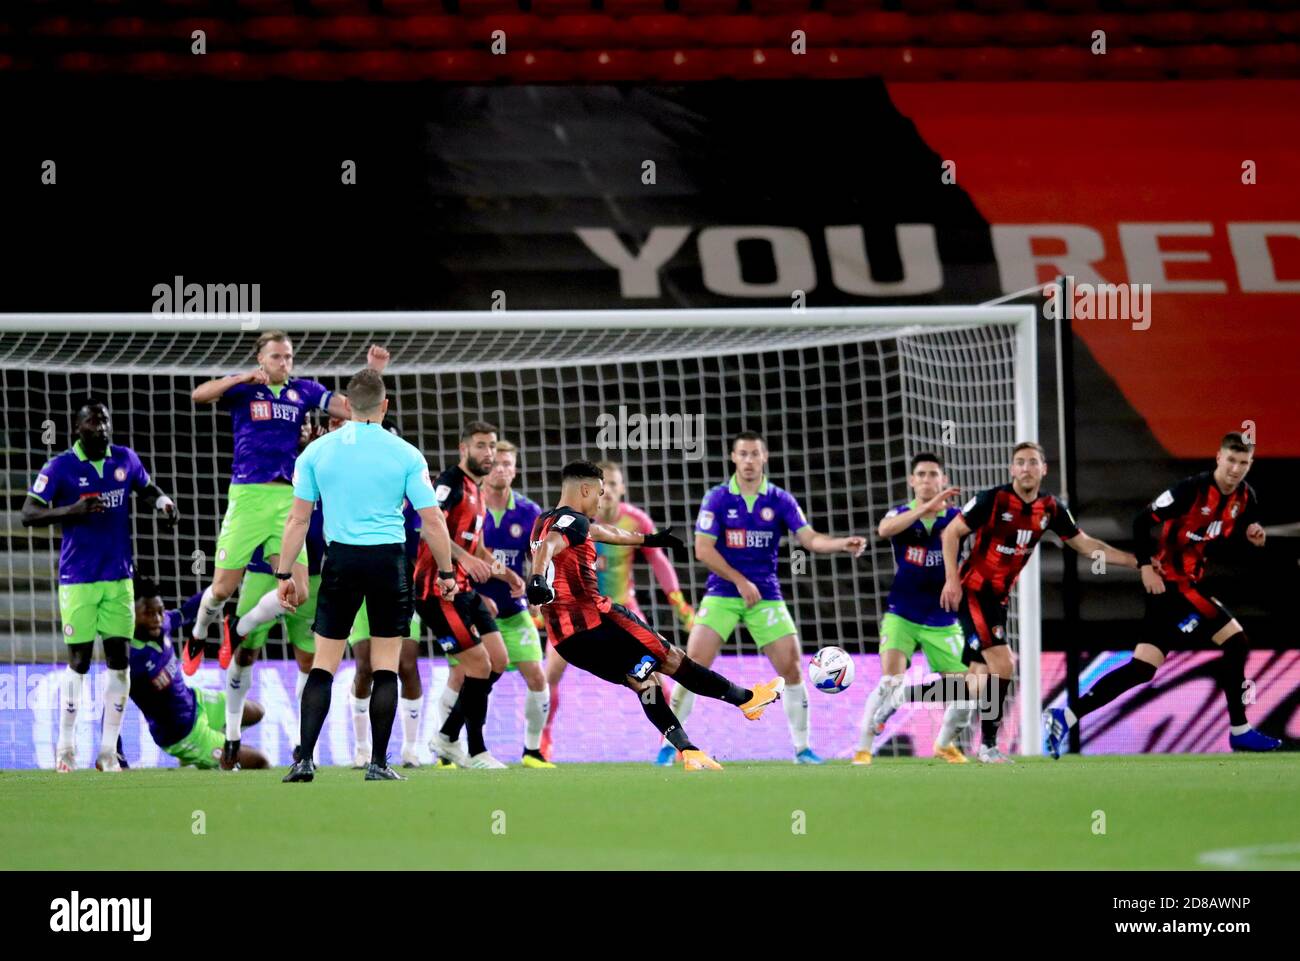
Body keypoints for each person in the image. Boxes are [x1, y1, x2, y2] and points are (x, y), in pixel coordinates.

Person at [526, 460, 785, 771]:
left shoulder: (545, 521)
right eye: (599, 492)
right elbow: (551, 547)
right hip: (600, 620)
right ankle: (746, 699)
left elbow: (599, 532)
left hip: (567, 642)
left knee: (643, 680)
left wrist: (648, 539)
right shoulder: (570, 522)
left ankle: (688, 751)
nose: (601, 498)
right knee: (672, 659)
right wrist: (537, 578)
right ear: (585, 489)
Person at [1045, 432, 1281, 756]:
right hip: (1170, 583)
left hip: (1184, 587)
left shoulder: (1245, 497)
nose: (1236, 469)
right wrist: (1143, 565)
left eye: (1243, 462)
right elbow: (1142, 521)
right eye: (1231, 460)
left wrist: (1252, 532)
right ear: (1218, 458)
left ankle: (1065, 715)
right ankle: (1239, 730)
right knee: (1236, 640)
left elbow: (1242, 525)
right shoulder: (1190, 490)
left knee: (1142, 669)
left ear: (1249, 464)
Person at [273, 368, 456, 782]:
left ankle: (303, 761)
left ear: (347, 406)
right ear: (385, 405)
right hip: (388, 562)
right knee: (386, 666)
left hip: (340, 561)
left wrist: (285, 572)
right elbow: (433, 522)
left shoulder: (316, 453)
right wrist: (446, 572)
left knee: (324, 665)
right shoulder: (406, 454)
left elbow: (297, 521)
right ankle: (377, 763)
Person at [184, 331, 388, 674]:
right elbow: (198, 395)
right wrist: (240, 377)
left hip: (287, 500)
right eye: (276, 356)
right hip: (248, 495)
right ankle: (198, 632)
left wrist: (372, 374)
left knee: (299, 591)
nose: (284, 362)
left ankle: (237, 629)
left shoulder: (303, 391)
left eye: (288, 356)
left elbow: (352, 409)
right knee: (220, 589)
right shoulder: (244, 388)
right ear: (261, 359)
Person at [666, 431, 865, 765]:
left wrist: (841, 544)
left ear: (764, 457)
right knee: (690, 666)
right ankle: (669, 746)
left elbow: (810, 539)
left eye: (754, 454)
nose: (748, 460)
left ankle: (802, 750)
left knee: (792, 667)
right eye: (742, 454)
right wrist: (740, 580)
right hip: (723, 592)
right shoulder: (717, 498)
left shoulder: (779, 500)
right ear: (733, 458)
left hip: (766, 596)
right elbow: (703, 549)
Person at [940, 441, 1136, 762]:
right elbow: (951, 533)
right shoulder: (992, 500)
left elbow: (1084, 545)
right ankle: (988, 746)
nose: (1026, 468)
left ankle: (909, 699)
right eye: (1020, 462)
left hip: (998, 599)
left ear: (1043, 469)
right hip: (974, 591)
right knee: (1004, 665)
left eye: (1033, 462)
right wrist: (951, 579)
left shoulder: (1051, 509)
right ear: (1011, 469)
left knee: (976, 680)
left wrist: (1131, 561)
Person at [22, 401, 180, 772]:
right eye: (93, 422)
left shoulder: (124, 459)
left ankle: (109, 753)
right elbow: (28, 514)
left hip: (119, 580)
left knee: (119, 664)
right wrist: (70, 511)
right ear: (78, 429)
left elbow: (145, 486)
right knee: (78, 663)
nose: (101, 427)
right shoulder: (60, 467)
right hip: (78, 580)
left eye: (105, 420)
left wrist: (163, 501)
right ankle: (66, 749)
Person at [542, 460, 694, 763]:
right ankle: (543, 738)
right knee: (550, 675)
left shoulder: (635, 520)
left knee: (655, 672)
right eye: (604, 485)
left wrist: (679, 603)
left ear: (622, 488)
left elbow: (660, 563)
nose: (608, 491)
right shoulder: (568, 523)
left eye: (613, 484)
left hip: (622, 607)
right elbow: (544, 556)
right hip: (576, 614)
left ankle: (671, 742)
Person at [431, 441, 551, 768]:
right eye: (496, 462)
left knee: (537, 677)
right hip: (467, 603)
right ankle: (450, 750)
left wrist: (531, 591)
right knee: (461, 675)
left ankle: (532, 751)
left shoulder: (529, 512)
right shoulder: (467, 501)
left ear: (515, 470)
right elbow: (448, 543)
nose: (501, 469)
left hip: (513, 611)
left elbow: (538, 558)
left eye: (508, 464)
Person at [415, 422, 524, 770]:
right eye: (480, 446)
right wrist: (464, 559)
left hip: (464, 590)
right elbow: (430, 529)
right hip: (437, 591)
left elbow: (474, 544)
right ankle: (476, 751)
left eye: (492, 446)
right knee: (477, 665)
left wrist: (505, 574)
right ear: (463, 449)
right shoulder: (450, 484)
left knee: (498, 660)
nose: (488, 453)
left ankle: (446, 735)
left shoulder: (476, 491)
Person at [854, 452, 970, 765]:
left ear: (943, 480)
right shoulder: (902, 514)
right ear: (912, 481)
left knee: (967, 690)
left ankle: (944, 744)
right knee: (890, 680)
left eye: (933, 474)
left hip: (942, 615)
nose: (927, 480)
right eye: (921, 474)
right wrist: (925, 508)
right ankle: (863, 749)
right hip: (902, 612)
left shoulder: (957, 519)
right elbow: (884, 530)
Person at [130, 580, 268, 770]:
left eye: (160, 611)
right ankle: (204, 753)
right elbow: (113, 703)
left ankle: (205, 757)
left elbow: (186, 611)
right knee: (259, 761)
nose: (158, 619)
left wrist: (219, 590)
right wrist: (117, 756)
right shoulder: (132, 660)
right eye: (148, 614)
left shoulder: (164, 625)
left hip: (196, 702)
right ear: (131, 616)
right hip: (182, 734)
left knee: (256, 712)